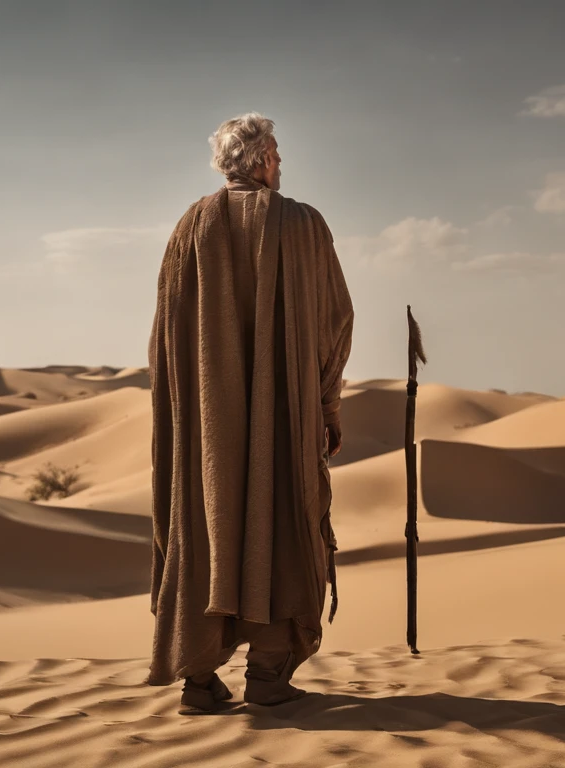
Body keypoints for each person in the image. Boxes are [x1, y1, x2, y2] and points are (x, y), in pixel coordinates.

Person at [145, 112, 354, 714]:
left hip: (207, 422)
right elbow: (335, 321)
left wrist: (184, 415)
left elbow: (165, 334)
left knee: (209, 525)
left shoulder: (191, 227)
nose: (282, 164)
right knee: (283, 518)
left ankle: (198, 679)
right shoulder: (302, 224)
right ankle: (266, 674)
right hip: (284, 419)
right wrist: (327, 405)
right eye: (278, 153)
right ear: (261, 161)